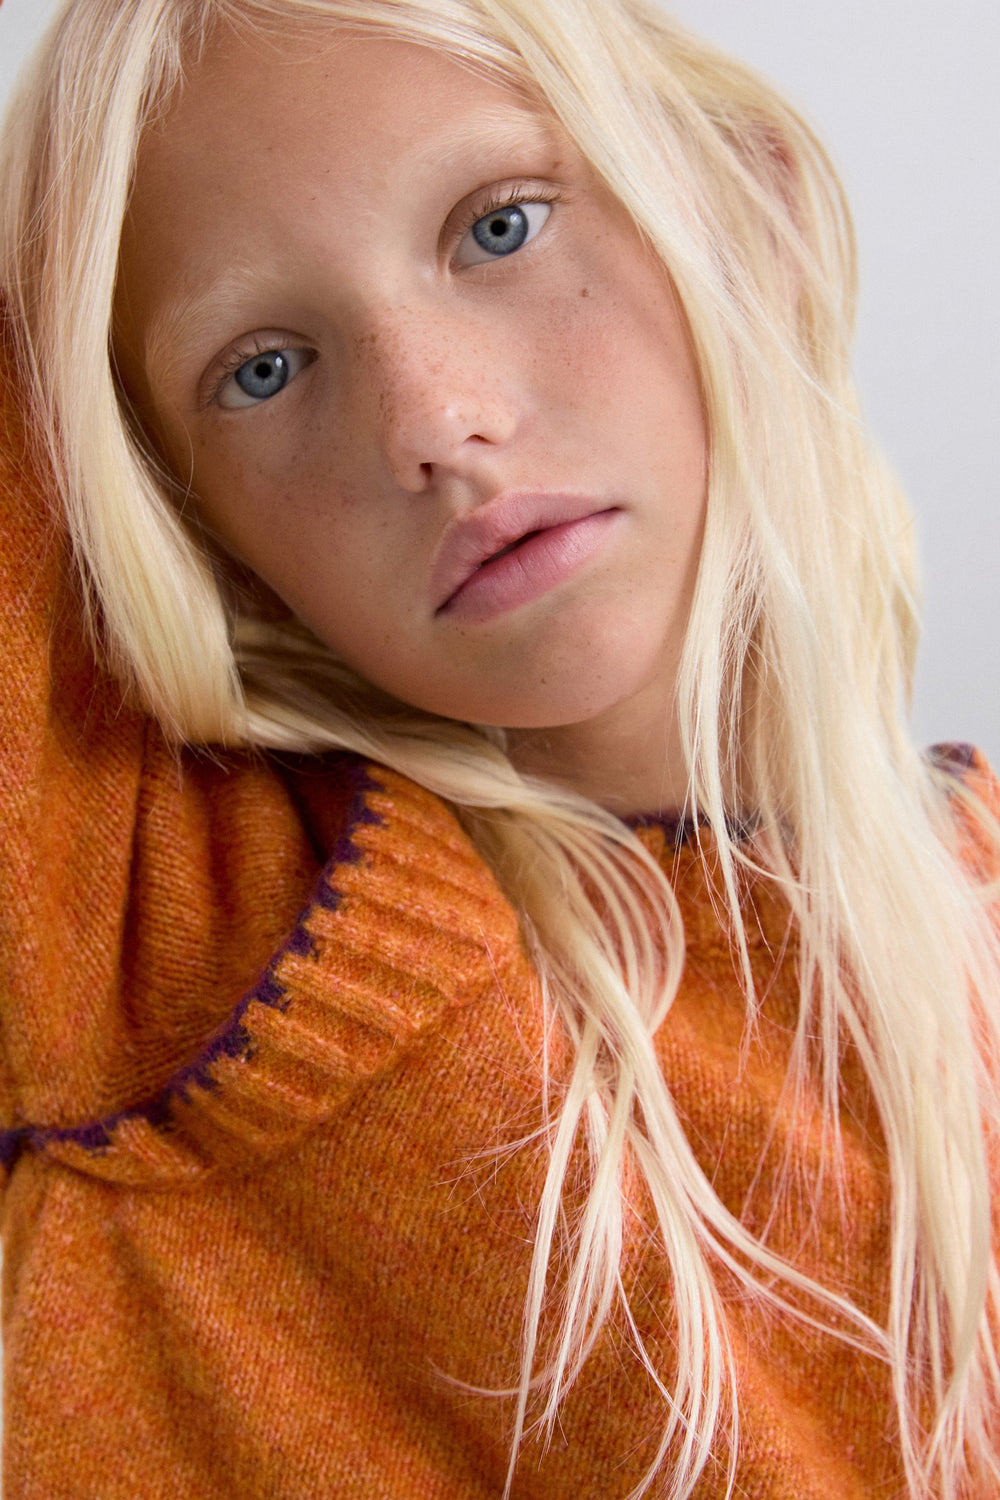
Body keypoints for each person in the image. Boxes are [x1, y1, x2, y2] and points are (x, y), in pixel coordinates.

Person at [0, 0, 996, 1496]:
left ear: (750, 206)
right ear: (186, 518)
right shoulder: (184, 962)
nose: (435, 420)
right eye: (263, 369)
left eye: (501, 226)